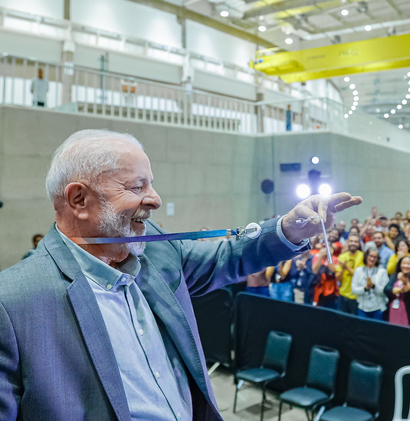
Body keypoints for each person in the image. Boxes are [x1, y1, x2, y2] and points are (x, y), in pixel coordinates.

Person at [0, 129, 361, 419]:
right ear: (79, 199)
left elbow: (227, 255)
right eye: (136, 186)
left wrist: (290, 229)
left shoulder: (157, 249)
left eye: (150, 184)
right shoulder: (13, 303)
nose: (155, 199)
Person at [384, 256, 410, 328]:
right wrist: (402, 290)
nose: (406, 266)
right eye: (403, 263)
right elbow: (387, 289)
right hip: (394, 311)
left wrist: (404, 283)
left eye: (408, 264)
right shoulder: (394, 276)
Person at [351, 249, 389, 320]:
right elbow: (354, 290)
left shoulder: (382, 272)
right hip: (362, 307)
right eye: (370, 256)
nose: (372, 259)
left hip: (378, 307)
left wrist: (374, 286)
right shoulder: (358, 271)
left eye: (375, 257)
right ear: (366, 256)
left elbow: (385, 292)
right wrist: (365, 289)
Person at [336, 235, 365, 314]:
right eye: (351, 241)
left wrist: (347, 267)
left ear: (359, 244)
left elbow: (359, 277)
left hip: (356, 296)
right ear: (347, 243)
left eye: (356, 242)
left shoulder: (363, 257)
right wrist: (343, 269)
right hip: (343, 294)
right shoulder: (342, 256)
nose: (353, 243)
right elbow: (338, 278)